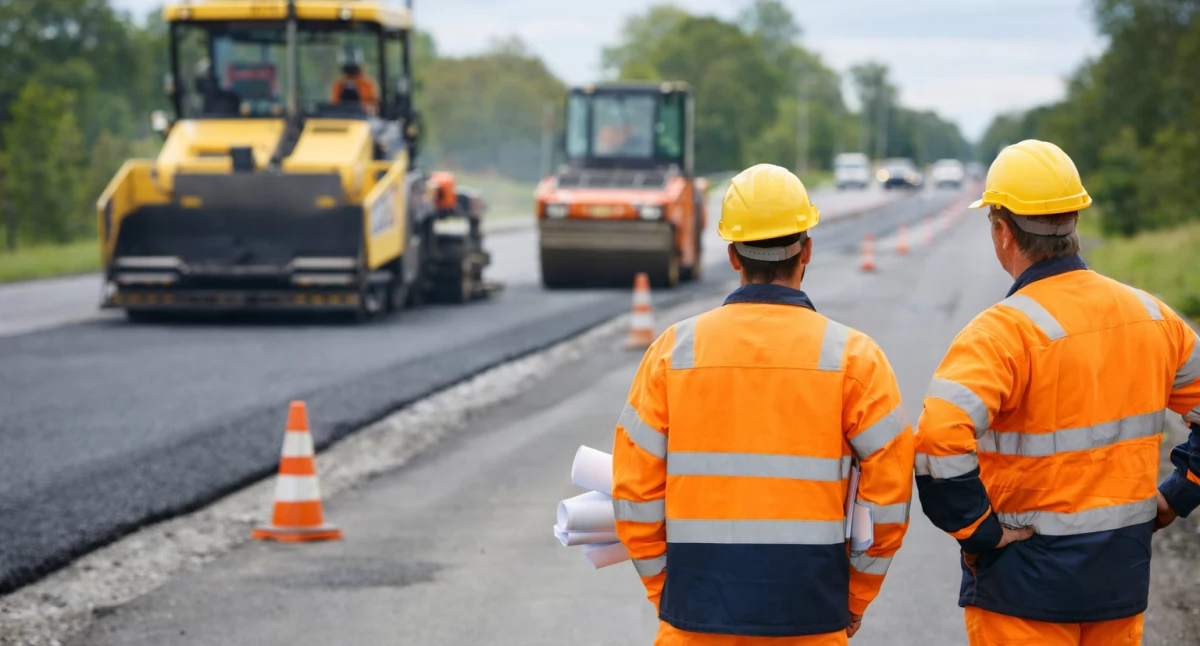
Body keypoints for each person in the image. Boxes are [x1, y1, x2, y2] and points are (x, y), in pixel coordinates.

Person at [611, 164, 916, 645]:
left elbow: (632, 494)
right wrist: (854, 597)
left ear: (733, 255)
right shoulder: (855, 359)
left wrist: (668, 593)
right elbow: (890, 499)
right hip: (812, 620)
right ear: (807, 250)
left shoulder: (673, 352)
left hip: (694, 621)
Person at [915, 139, 1200, 646]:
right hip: (1119, 581)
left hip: (1021, 593)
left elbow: (938, 439)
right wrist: (1178, 493)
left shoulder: (1000, 334)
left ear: (1002, 231)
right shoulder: (1155, 318)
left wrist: (979, 531)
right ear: (1074, 223)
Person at [330, 46, 379, 115]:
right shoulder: (338, 84)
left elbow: (374, 106)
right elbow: (334, 105)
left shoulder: (367, 84)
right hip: (342, 118)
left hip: (365, 118)